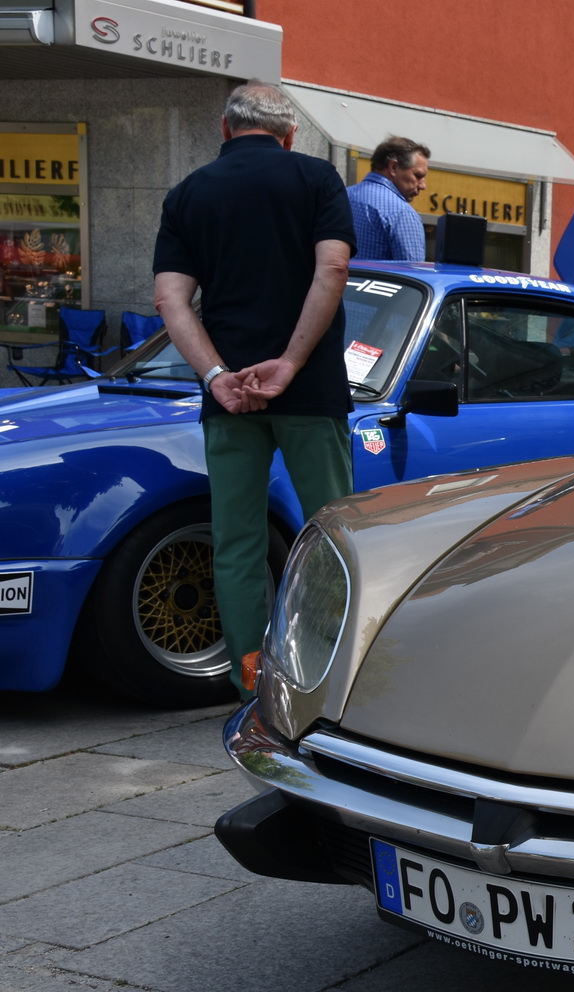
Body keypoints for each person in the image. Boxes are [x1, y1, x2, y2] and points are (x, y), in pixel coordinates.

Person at [152, 82, 356, 697]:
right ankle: (326, 682)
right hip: (309, 388)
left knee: (236, 546)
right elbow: (335, 269)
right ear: (289, 134)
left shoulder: (187, 194)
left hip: (230, 399)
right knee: (333, 539)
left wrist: (216, 376)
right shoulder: (318, 179)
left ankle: (250, 685)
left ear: (225, 129)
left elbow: (170, 299)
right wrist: (291, 363)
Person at [347, 136, 430, 261]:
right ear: (393, 167)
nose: (423, 186)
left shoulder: (341, 196)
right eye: (418, 176)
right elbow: (413, 273)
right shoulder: (402, 213)